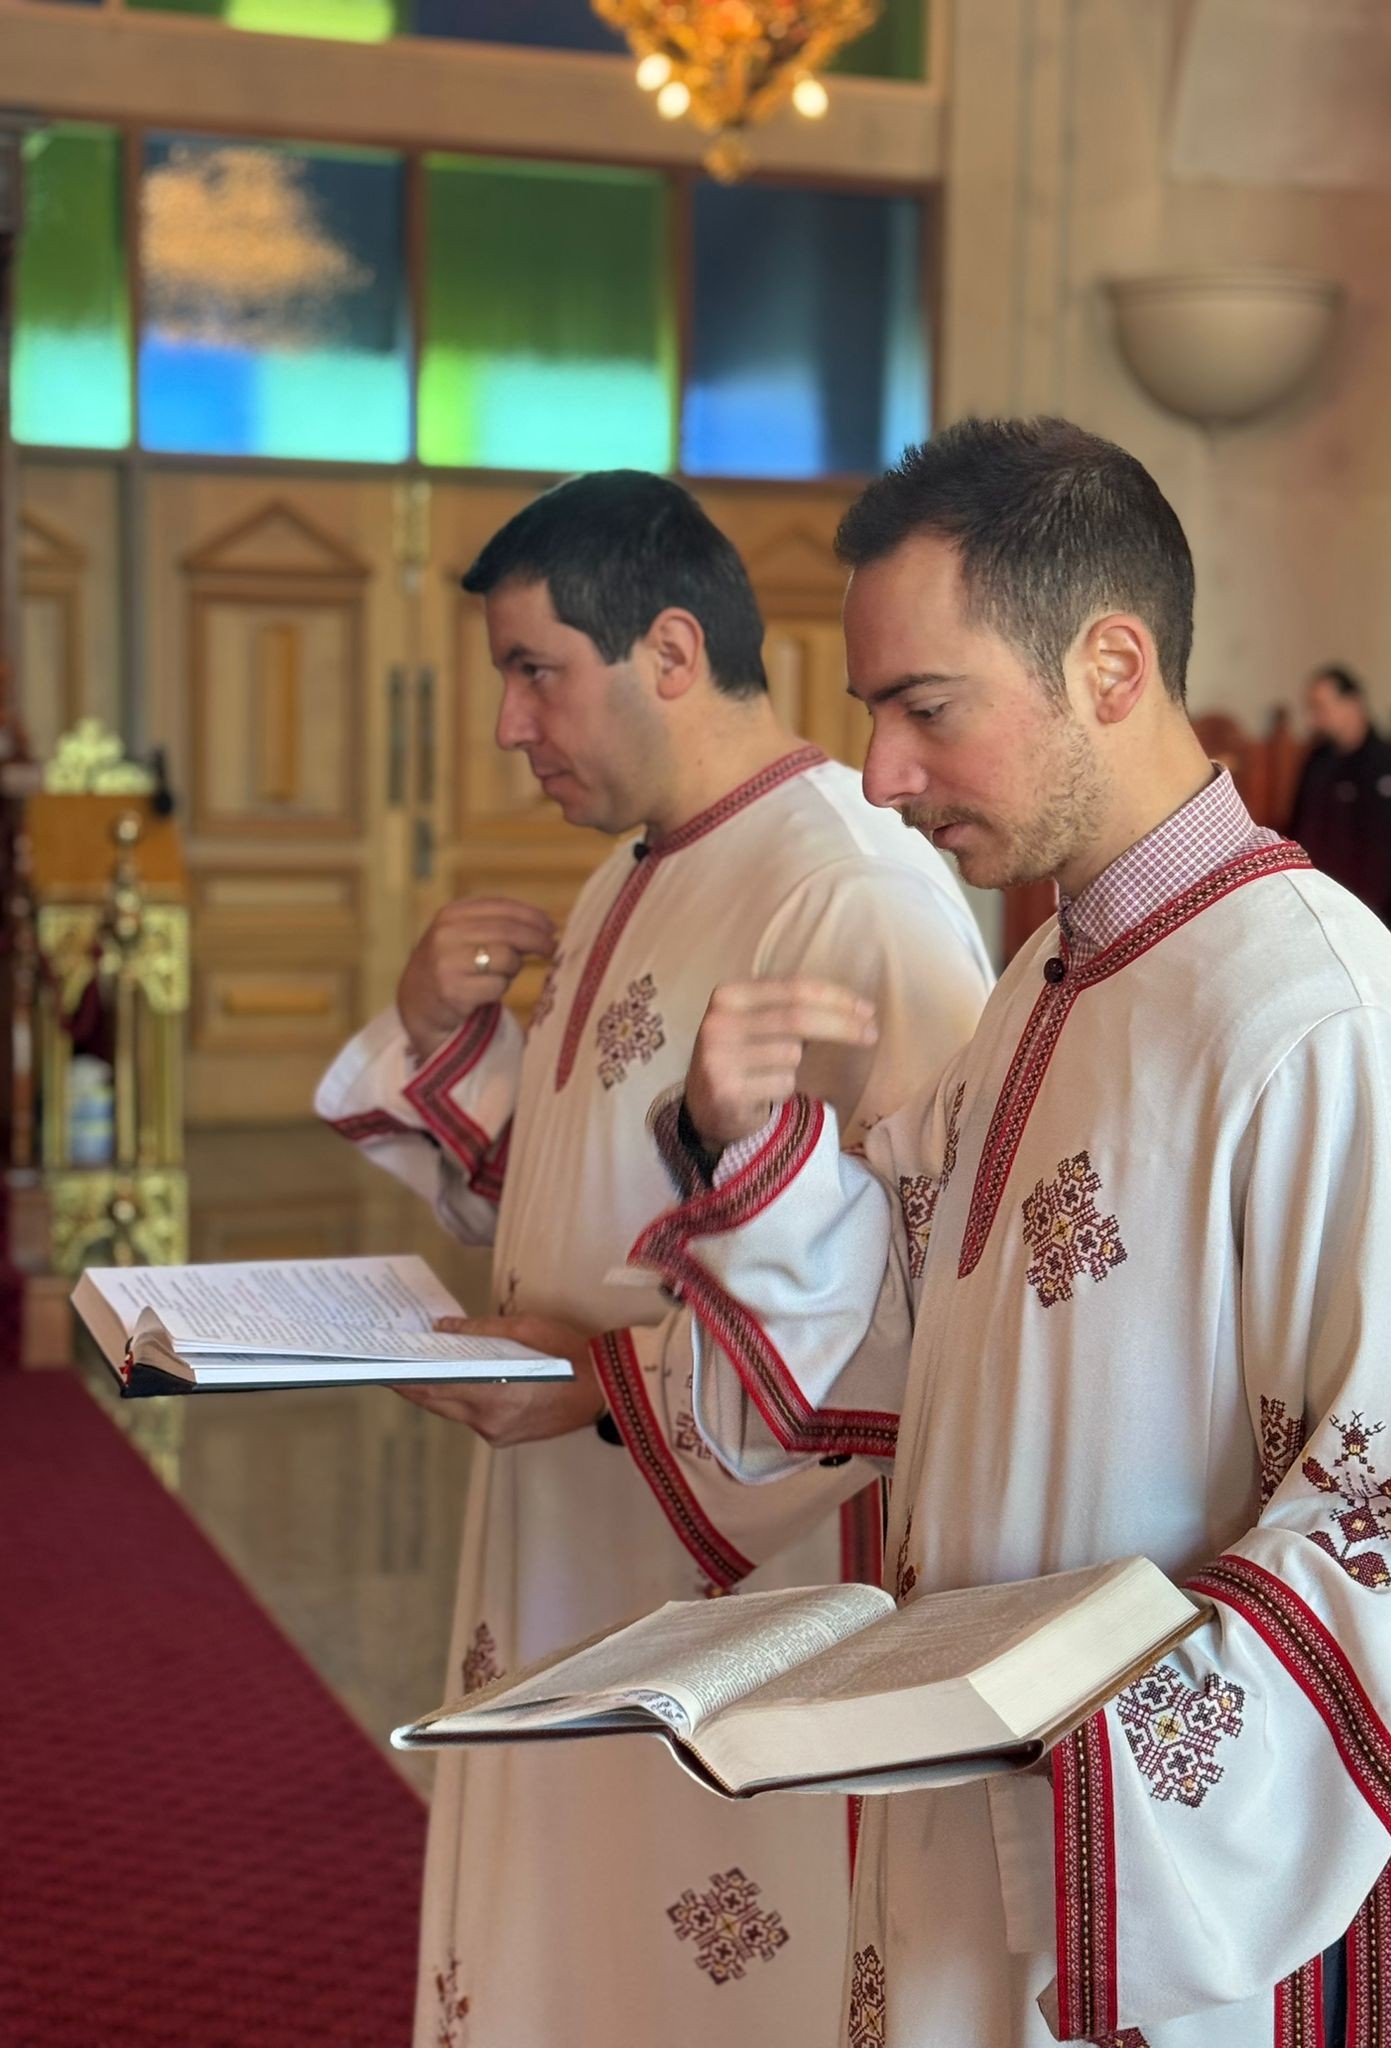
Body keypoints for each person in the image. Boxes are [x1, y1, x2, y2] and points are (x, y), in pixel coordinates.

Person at [587, 421, 1391, 2044]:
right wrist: (753, 1162)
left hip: (1178, 1910)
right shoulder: (1049, 970)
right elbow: (933, 1324)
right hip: (986, 1820)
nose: (878, 771)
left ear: (1110, 665)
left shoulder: (1322, 1019)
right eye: (872, 710)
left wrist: (1086, 1749)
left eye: (924, 707)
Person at [314, 470, 993, 2048]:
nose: (508, 725)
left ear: (671, 651)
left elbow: (927, 1294)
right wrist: (437, 1033)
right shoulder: (634, 864)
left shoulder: (855, 889)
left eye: (534, 670)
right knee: (574, 1929)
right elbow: (587, 1196)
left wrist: (609, 1386)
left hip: (740, 1576)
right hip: (573, 1537)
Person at [1286, 663, 1391, 927]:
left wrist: (1372, 915)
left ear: (1353, 703)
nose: (1315, 719)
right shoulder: (1317, 761)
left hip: (1364, 908)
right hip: (1314, 898)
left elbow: (1388, 852)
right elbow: (1299, 829)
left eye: (1322, 707)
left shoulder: (1384, 764)